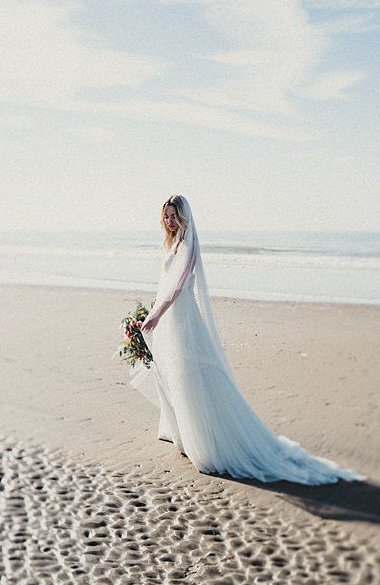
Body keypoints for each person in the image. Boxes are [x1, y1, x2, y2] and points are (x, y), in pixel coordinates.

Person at [129, 194, 366, 485]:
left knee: (192, 374)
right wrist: (152, 311)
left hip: (183, 318)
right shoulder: (173, 243)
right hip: (168, 316)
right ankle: (183, 433)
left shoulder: (189, 245)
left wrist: (156, 315)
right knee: (176, 374)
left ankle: (205, 440)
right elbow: (165, 285)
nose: (169, 221)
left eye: (174, 216)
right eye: (166, 216)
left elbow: (177, 287)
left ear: (184, 216)